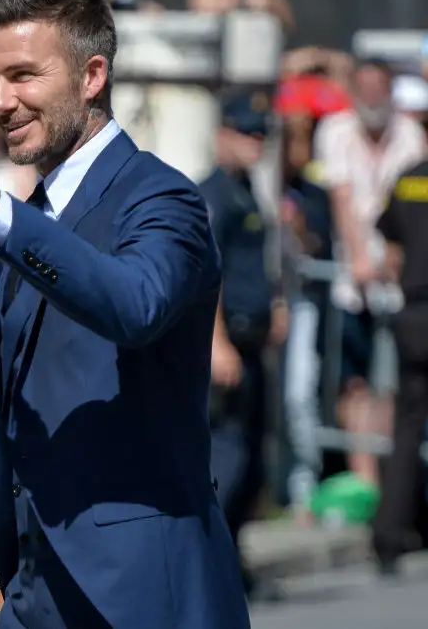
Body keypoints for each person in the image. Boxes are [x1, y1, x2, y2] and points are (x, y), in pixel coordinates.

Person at [0, 0, 249, 628]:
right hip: (37, 586)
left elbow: (134, 305)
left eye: (24, 76)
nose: (1, 101)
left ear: (91, 76)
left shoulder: (161, 198)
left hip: (136, 592)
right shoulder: (35, 215)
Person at [314, 58, 426, 488]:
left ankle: (388, 477)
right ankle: (365, 474)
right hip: (352, 278)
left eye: (380, 87)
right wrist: (360, 258)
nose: (373, 96)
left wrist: (392, 260)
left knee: (395, 384)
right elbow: (342, 201)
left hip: (399, 280)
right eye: (365, 87)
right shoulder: (336, 131)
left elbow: (410, 207)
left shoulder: (411, 136)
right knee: (354, 379)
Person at [200, 92, 287, 596]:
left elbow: (258, 263)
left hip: (253, 340)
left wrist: (275, 304)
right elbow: (206, 272)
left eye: (261, 134)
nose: (256, 143)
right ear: (222, 135)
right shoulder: (211, 193)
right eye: (246, 133)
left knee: (253, 457)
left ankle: (231, 554)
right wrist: (218, 342)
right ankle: (212, 560)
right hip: (227, 343)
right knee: (226, 459)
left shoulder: (247, 189)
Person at [371, 161, 428, 576]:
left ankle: (389, 538)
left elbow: (390, 249)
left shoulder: (408, 178)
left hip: (413, 315)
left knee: (407, 430)